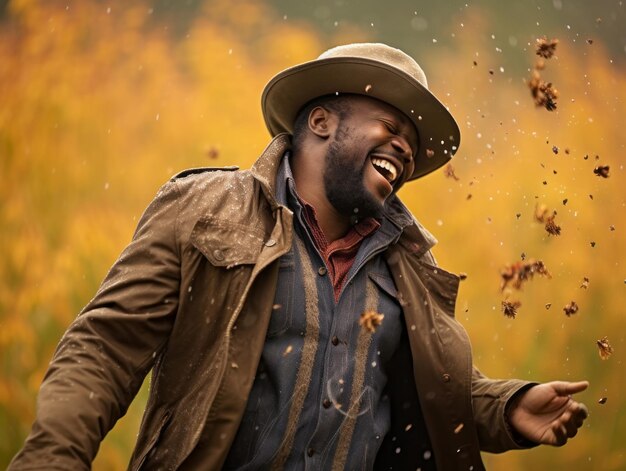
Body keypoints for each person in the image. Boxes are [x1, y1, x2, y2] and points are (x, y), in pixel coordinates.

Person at [10, 43, 588, 471]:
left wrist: (509, 407)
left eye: (411, 143)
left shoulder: (410, 267)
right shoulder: (205, 207)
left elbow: (427, 394)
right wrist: (51, 460)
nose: (405, 148)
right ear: (320, 121)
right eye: (390, 125)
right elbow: (104, 350)